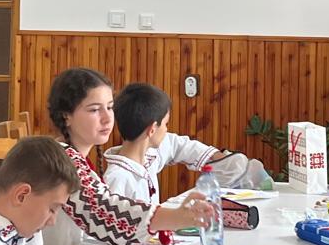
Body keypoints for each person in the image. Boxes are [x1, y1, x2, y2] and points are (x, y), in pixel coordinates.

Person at [45, 68, 214, 245]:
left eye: (110, 107)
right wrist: (176, 217)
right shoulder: (59, 160)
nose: (107, 118)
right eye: (94, 110)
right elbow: (105, 213)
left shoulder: (71, 156)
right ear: (66, 116)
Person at [103, 82, 262, 206]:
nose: (167, 129)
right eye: (166, 124)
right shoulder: (117, 179)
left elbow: (178, 145)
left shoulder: (149, 154)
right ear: (152, 130)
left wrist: (221, 159)